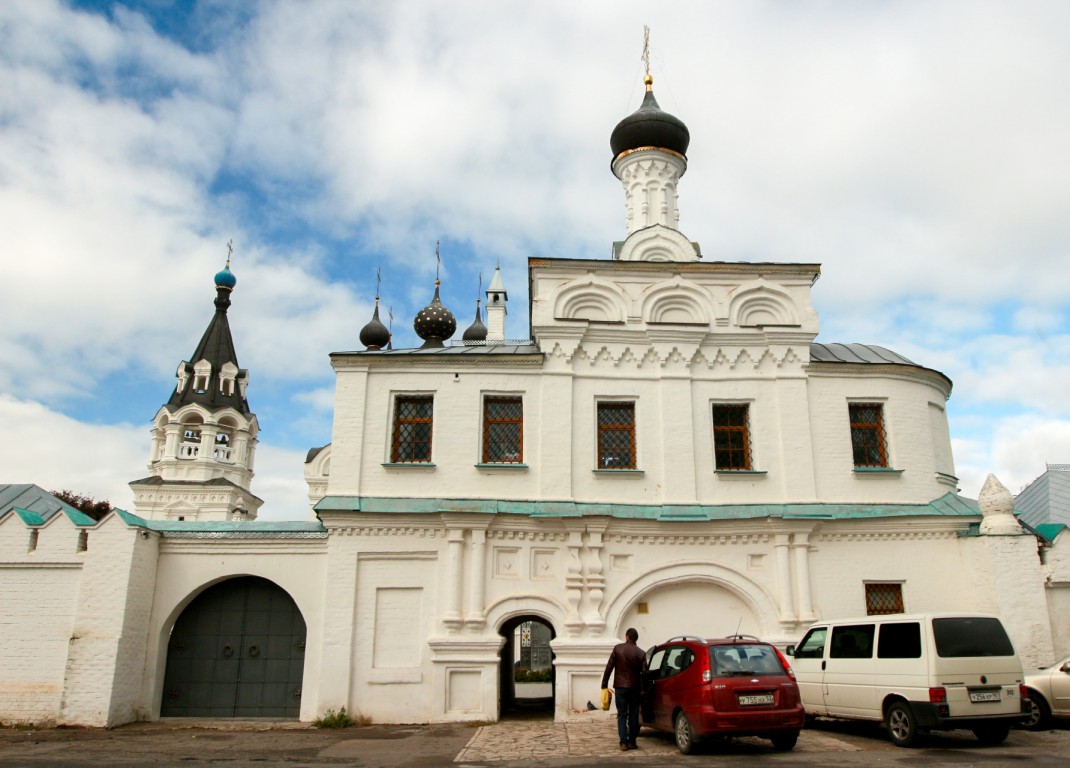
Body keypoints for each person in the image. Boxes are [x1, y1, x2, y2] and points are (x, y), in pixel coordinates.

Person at [601, 627, 645, 751]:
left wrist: (604, 684)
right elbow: (644, 674)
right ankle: (632, 741)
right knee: (633, 714)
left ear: (626, 637)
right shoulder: (641, 653)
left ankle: (623, 742)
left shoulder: (618, 649)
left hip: (620, 687)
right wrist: (643, 689)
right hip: (634, 688)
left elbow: (609, 667)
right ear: (636, 638)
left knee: (621, 714)